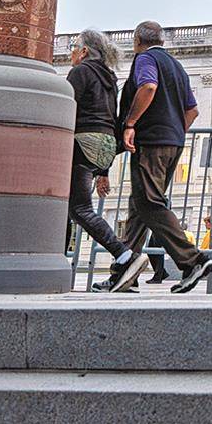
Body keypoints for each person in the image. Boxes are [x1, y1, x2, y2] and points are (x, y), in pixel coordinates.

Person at [99, 21, 212, 294]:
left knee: (149, 202)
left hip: (151, 142)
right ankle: (124, 271)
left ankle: (193, 260)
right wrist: (173, 131)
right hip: (172, 142)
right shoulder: (177, 66)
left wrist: (130, 123)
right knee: (138, 206)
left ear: (137, 39)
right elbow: (193, 111)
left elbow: (148, 87)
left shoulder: (146, 58)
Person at [64, 31, 138, 275]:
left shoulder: (81, 71)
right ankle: (59, 257)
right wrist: (104, 171)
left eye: (74, 47)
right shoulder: (109, 77)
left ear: (84, 51)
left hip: (84, 141)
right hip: (104, 145)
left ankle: (124, 253)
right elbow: (111, 116)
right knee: (67, 204)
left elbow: (67, 106)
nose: (71, 53)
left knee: (79, 208)